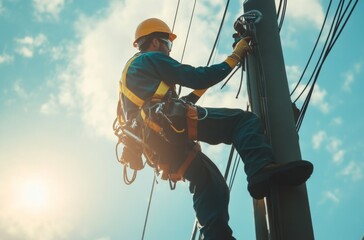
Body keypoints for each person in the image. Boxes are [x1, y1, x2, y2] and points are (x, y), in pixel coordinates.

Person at [118, 18, 313, 240]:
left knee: (210, 183)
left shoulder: (133, 77)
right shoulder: (149, 59)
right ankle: (261, 169)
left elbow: (186, 97)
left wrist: (230, 62)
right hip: (169, 127)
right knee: (242, 121)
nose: (169, 51)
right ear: (155, 42)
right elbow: (197, 76)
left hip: (159, 145)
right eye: (167, 44)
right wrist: (235, 56)